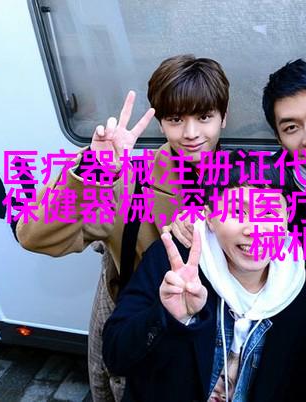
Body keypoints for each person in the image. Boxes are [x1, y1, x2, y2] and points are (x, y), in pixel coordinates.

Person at [16, 54, 229, 401]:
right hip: (146, 340)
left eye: (204, 117)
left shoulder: (249, 183)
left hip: (218, 349)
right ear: (160, 123)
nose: (191, 133)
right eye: (176, 119)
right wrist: (93, 170)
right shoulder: (128, 183)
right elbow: (34, 235)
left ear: (224, 116)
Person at [103, 151, 306, 402]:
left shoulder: (303, 289)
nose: (254, 229)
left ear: (287, 215)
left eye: (268, 213)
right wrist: (167, 316)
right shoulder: (174, 263)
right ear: (209, 217)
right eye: (237, 212)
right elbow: (115, 355)